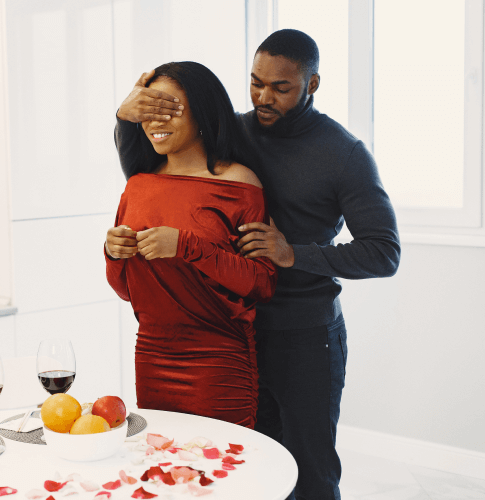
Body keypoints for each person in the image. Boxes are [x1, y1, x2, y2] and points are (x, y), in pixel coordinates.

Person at [113, 30, 400, 500]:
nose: (264, 97)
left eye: (280, 88)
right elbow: (151, 178)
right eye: (255, 83)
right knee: (247, 467)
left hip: (303, 336)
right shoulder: (234, 131)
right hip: (232, 334)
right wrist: (127, 118)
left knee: (309, 470)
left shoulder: (344, 153)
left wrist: (292, 254)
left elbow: (383, 252)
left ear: (312, 84)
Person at [104, 61, 277, 429]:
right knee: (165, 471)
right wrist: (113, 253)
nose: (156, 121)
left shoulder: (239, 184)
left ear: (202, 112)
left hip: (218, 360)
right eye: (149, 111)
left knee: (224, 476)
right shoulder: (138, 184)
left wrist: (186, 246)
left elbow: (262, 283)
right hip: (151, 355)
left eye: (169, 109)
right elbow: (124, 290)